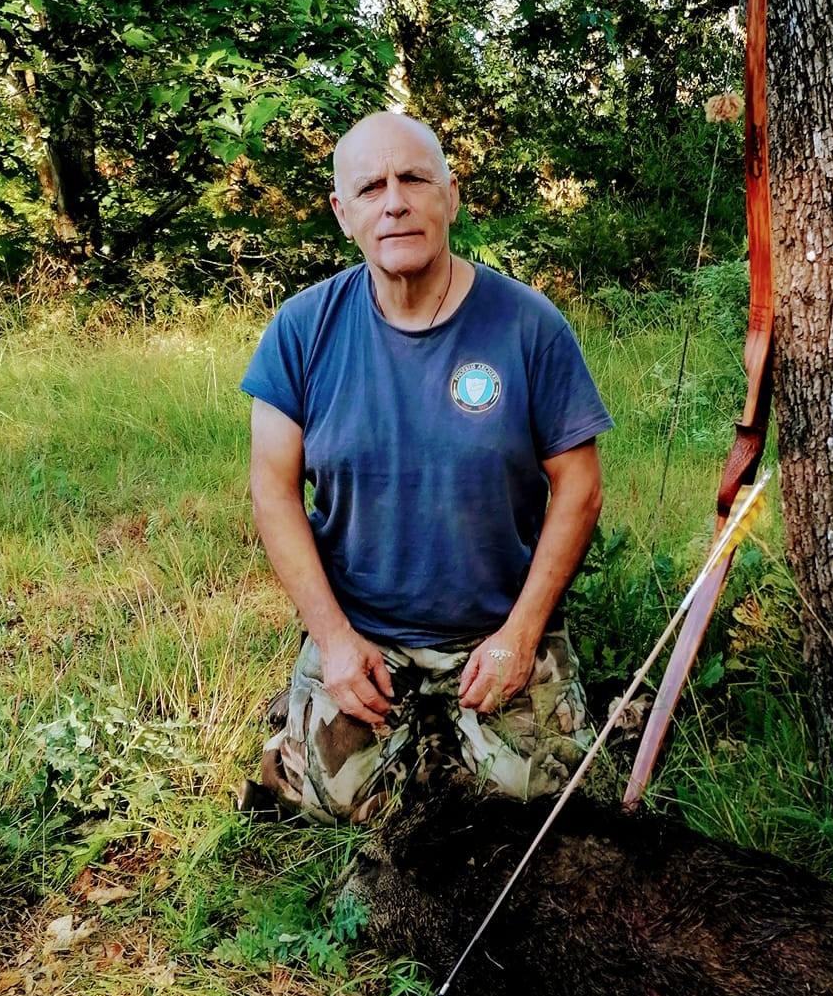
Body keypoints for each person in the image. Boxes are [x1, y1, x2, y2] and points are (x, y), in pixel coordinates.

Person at [236, 110, 612, 823]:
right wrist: (334, 640)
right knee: (337, 803)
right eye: (371, 186)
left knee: (541, 809)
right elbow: (273, 494)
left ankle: (496, 714)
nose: (395, 201)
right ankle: (315, 703)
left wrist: (521, 635)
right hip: (363, 632)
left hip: (493, 631)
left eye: (414, 178)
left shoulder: (529, 326)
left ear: (450, 194)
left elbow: (580, 488)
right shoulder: (301, 329)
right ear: (343, 213)